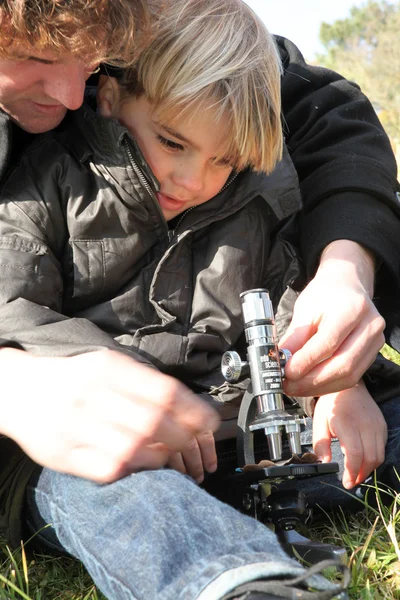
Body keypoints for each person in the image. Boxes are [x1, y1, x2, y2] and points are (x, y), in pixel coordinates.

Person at [0, 1, 399, 599]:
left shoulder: (250, 191)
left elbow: (289, 285)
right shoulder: (50, 186)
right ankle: (236, 581)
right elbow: (14, 302)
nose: (194, 179)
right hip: (103, 448)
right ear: (116, 99)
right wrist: (86, 376)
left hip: (244, 442)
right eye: (172, 143)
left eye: (225, 161)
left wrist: (341, 376)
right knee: (115, 495)